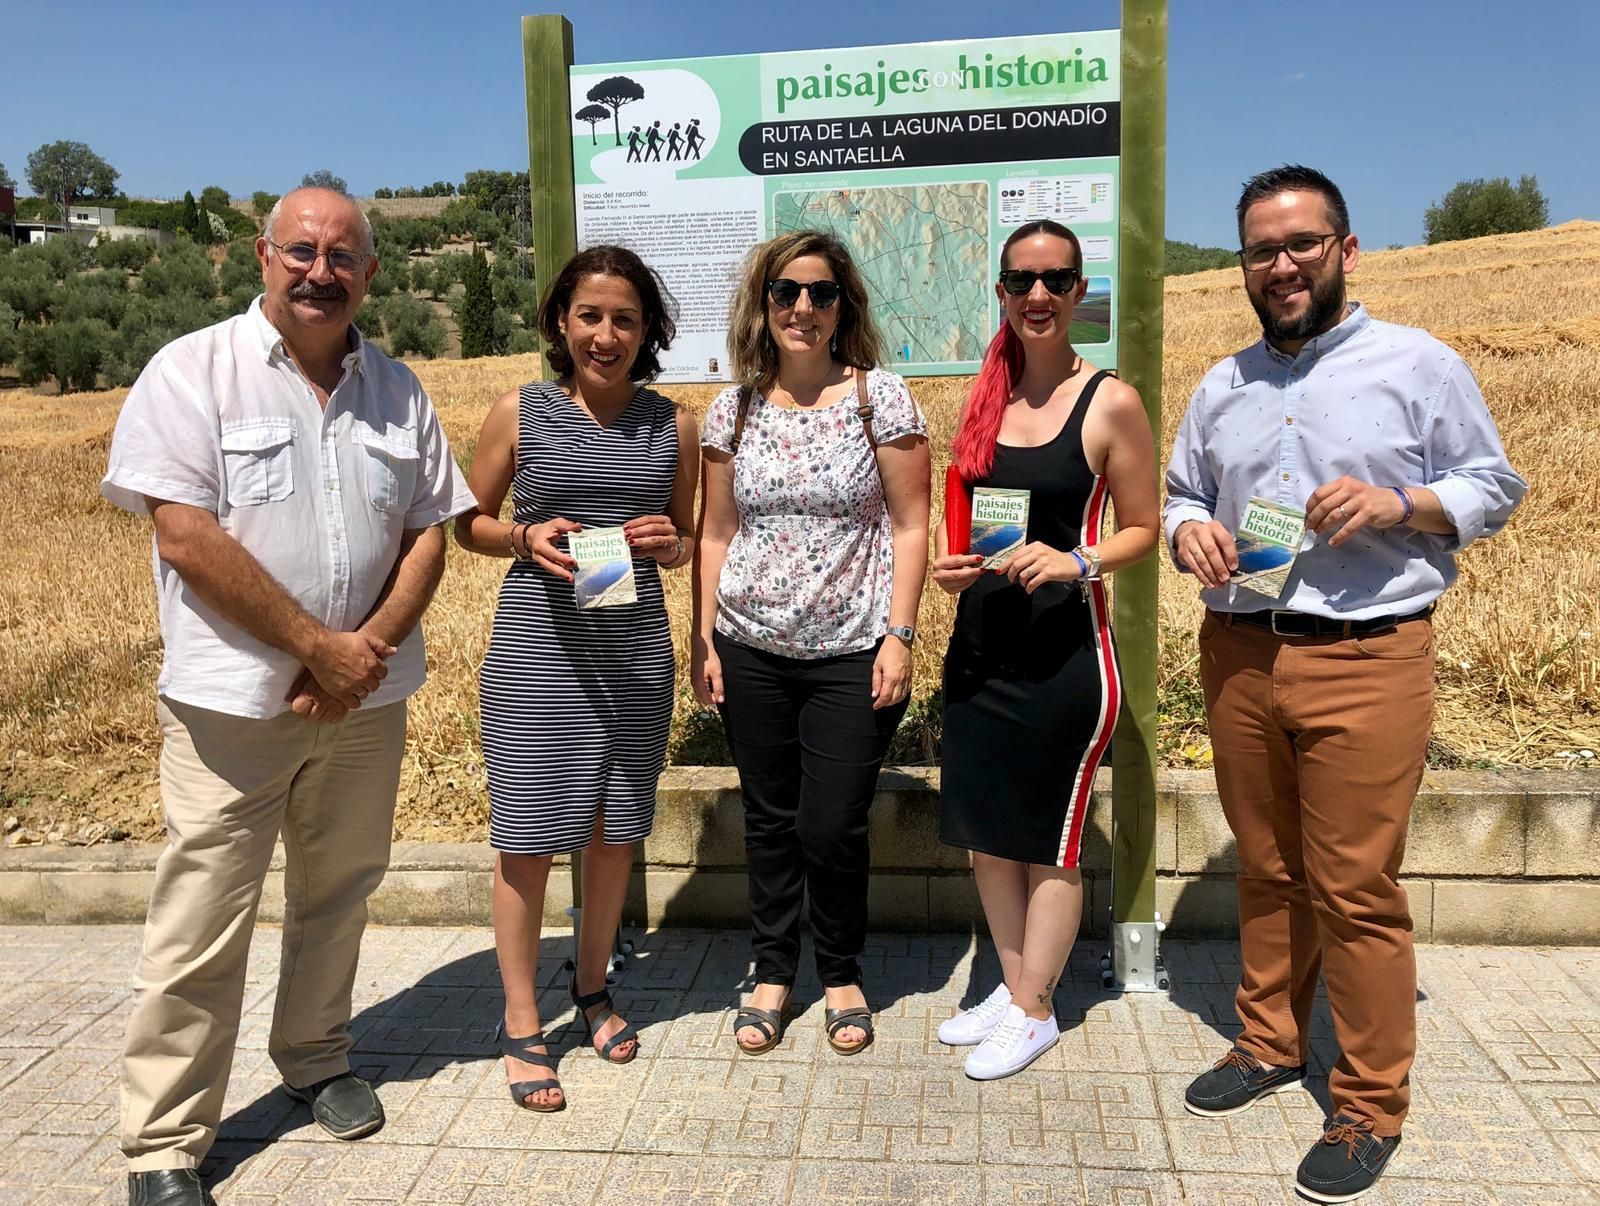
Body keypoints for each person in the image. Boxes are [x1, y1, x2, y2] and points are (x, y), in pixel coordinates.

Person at [103, 187, 477, 1206]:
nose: (321, 271)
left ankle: (315, 1058)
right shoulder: (193, 371)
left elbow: (429, 532)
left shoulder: (397, 389)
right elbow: (185, 535)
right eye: (302, 251)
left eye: (343, 255)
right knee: (200, 919)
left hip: (367, 698)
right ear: (262, 256)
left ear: (371, 272)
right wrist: (317, 648)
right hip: (232, 709)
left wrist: (363, 655)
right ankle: (164, 1142)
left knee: (340, 890)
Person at [1165, 165, 1526, 1202]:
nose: (1280, 266)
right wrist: (1189, 532)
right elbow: (1186, 490)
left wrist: (1398, 503)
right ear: (1242, 265)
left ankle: (1368, 1103)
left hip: (1367, 654)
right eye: (1260, 251)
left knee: (1356, 889)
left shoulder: (1418, 364)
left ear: (1345, 251)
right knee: (1267, 868)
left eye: (1301, 245)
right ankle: (1268, 1042)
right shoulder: (1222, 384)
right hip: (1240, 649)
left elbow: (1493, 484)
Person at [456, 245, 697, 1112]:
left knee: (613, 835)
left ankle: (592, 988)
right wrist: (523, 537)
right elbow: (466, 522)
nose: (606, 334)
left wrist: (671, 543)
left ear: (647, 329)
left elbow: (688, 535)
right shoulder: (518, 411)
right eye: (590, 315)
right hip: (539, 655)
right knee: (527, 840)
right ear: (561, 321)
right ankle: (523, 1021)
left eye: (625, 318)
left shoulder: (674, 425)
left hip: (633, 654)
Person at [692, 230, 930, 1057]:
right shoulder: (733, 410)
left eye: (821, 293)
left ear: (842, 306)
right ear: (762, 304)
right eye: (786, 291)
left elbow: (911, 524)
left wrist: (900, 635)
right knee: (769, 819)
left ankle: (840, 971)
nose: (803, 307)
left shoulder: (880, 399)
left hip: (852, 647)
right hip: (749, 644)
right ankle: (771, 971)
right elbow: (715, 532)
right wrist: (703, 640)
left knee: (832, 824)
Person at [931, 220, 1158, 1080]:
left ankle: (1035, 1011)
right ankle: (1016, 984)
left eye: (1056, 280)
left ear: (1078, 292)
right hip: (981, 650)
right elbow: (964, 514)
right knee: (989, 833)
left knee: (1053, 839)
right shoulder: (985, 395)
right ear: (1001, 292)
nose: (1038, 295)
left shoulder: (1111, 402)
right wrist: (952, 569)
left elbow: (1143, 527)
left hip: (1067, 658)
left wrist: (1077, 559)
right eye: (1022, 281)